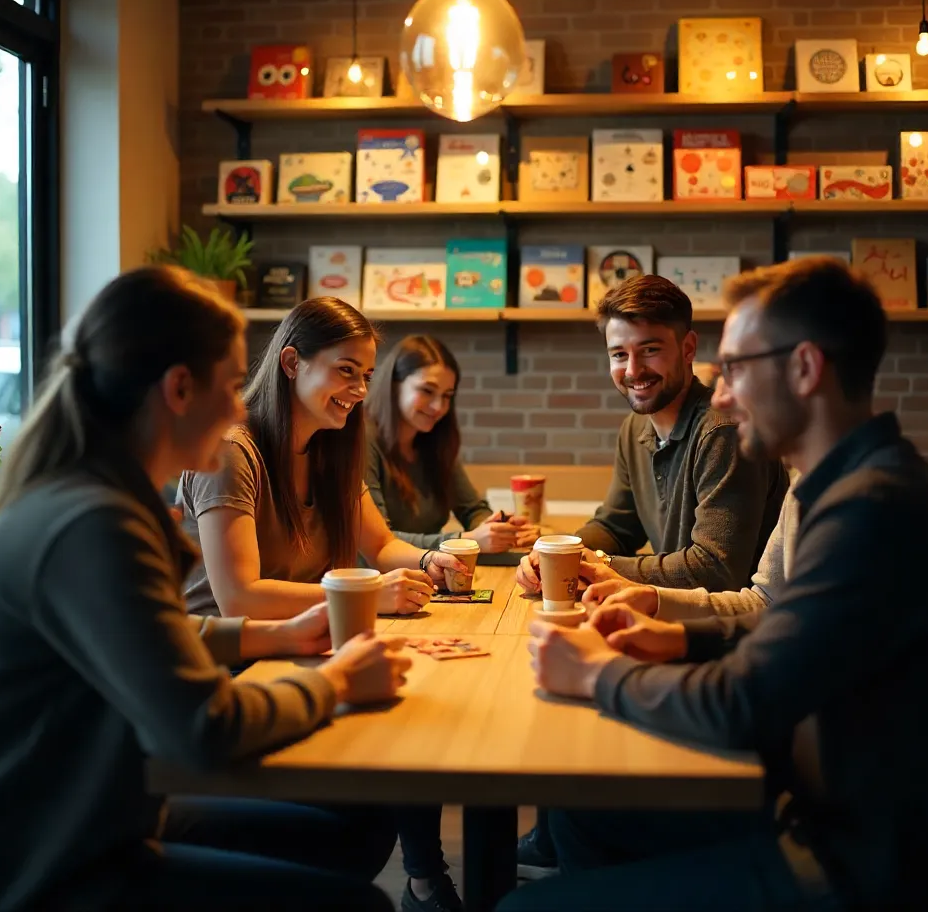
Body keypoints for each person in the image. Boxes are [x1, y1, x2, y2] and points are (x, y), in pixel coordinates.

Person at [510, 257, 928, 911]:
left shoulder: (872, 508)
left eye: (734, 369)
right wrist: (680, 640)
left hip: (868, 864)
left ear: (805, 368)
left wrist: (597, 675)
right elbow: (782, 619)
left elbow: (742, 703)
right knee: (580, 815)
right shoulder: (838, 482)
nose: (721, 395)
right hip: (819, 815)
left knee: (521, 907)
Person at [0, 267, 410, 912]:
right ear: (178, 389)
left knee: (358, 827)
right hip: (37, 862)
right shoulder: (94, 522)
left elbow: (153, 634)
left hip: (95, 816)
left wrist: (277, 635)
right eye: (230, 385)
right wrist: (336, 682)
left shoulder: (95, 495)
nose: (239, 407)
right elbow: (205, 728)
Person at [179, 301, 468, 912]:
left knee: (409, 706)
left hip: (302, 645)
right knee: (386, 752)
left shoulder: (331, 446)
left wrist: (429, 561)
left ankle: (425, 880)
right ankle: (424, 883)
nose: (360, 391)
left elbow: (381, 546)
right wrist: (366, 593)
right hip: (234, 663)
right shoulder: (233, 451)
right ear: (291, 363)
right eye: (346, 371)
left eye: (366, 376)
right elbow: (239, 597)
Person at [514, 273, 789, 874]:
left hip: (722, 646)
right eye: (619, 354)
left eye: (650, 350)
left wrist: (597, 566)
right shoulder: (636, 428)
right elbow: (612, 524)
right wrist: (555, 552)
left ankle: (575, 843)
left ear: (687, 348)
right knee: (556, 664)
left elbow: (716, 568)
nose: (632, 370)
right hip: (683, 628)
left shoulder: (722, 430)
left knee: (574, 674)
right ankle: (558, 833)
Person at [365, 334, 537, 552]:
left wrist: (498, 530)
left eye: (447, 396)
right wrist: (465, 540)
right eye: (427, 391)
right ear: (393, 385)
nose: (438, 407)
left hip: (428, 568)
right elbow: (378, 542)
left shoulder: (434, 440)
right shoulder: (362, 440)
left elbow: (472, 510)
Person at [584, 470, 800, 621]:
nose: (743, 423)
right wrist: (655, 601)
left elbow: (713, 569)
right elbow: (764, 601)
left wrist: (606, 565)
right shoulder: (799, 489)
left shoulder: (723, 431)